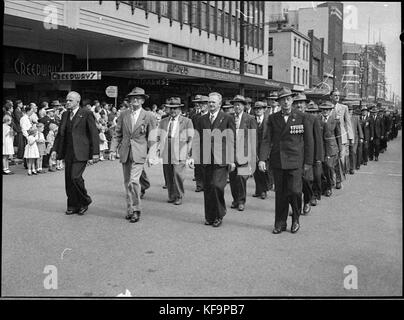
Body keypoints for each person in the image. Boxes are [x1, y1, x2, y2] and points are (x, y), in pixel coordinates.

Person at [258, 87, 314, 234]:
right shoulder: (273, 118)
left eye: (288, 99)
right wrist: (262, 159)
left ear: (292, 100)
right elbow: (266, 140)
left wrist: (308, 162)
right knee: (281, 193)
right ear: (279, 102)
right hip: (278, 161)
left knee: (295, 192)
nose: (286, 102)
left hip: (296, 161)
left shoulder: (302, 117)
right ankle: (280, 223)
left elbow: (309, 141)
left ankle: (295, 219)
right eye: (282, 100)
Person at [109, 87, 157, 223]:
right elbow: (117, 133)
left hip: (140, 152)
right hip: (125, 152)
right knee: (126, 183)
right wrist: (112, 150)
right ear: (129, 100)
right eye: (132, 98)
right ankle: (129, 209)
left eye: (138, 98)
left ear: (142, 100)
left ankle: (136, 209)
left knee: (134, 181)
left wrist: (152, 155)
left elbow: (152, 137)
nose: (135, 100)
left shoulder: (148, 116)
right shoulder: (124, 114)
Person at [51, 91, 100, 215]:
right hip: (68, 152)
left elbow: (94, 134)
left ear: (78, 101)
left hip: (81, 152)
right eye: (66, 100)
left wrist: (95, 153)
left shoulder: (86, 113)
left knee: (75, 177)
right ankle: (72, 204)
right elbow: (60, 135)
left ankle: (84, 201)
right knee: (69, 180)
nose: (67, 102)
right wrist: (55, 150)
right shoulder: (65, 115)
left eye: (70, 100)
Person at [198, 92, 236, 227]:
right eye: (209, 102)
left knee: (216, 186)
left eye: (213, 102)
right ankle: (209, 216)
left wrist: (232, 159)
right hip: (206, 158)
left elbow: (231, 140)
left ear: (220, 104)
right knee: (208, 188)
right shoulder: (202, 119)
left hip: (222, 158)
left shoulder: (227, 118)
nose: (211, 104)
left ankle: (219, 214)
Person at [157, 97, 194, 205]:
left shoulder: (187, 121)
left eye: (175, 108)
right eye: (171, 109)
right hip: (166, 147)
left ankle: (179, 195)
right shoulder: (163, 121)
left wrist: (187, 151)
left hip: (180, 148)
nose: (173, 111)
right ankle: (171, 195)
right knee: (168, 173)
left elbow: (191, 138)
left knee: (178, 173)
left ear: (180, 109)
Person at [229, 95, 257, 211]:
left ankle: (241, 201)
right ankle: (235, 200)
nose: (237, 107)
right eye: (235, 104)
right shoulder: (229, 117)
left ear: (244, 106)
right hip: (231, 153)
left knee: (241, 178)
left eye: (239, 104)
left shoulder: (250, 119)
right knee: (232, 178)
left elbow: (253, 138)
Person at [329, 90, 353, 188]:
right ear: (330, 96)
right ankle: (331, 180)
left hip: (341, 137)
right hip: (330, 138)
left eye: (338, 95)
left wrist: (350, 137)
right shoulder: (326, 107)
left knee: (340, 159)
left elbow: (348, 123)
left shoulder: (344, 108)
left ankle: (338, 180)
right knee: (330, 161)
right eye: (335, 95)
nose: (337, 97)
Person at [318, 101, 342, 197]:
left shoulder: (335, 121)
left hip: (331, 148)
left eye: (327, 110)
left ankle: (329, 187)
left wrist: (340, 148)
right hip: (320, 148)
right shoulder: (317, 120)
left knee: (329, 167)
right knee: (322, 168)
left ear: (330, 111)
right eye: (323, 110)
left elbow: (338, 135)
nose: (325, 111)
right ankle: (325, 187)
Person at [191, 95, 209, 192]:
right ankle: (199, 184)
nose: (201, 105)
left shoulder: (211, 116)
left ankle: (206, 183)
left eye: (204, 104)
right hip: (197, 143)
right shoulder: (195, 117)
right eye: (200, 103)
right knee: (197, 165)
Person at [252, 101, 269, 199]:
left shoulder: (268, 120)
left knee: (263, 170)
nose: (258, 110)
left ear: (264, 109)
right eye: (256, 109)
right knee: (255, 171)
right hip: (254, 149)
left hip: (265, 149)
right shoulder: (252, 120)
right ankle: (258, 190)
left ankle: (264, 190)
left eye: (260, 108)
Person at [348, 104, 364, 173]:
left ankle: (352, 168)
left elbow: (359, 128)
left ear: (352, 111)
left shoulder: (355, 118)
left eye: (350, 110)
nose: (349, 111)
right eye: (348, 110)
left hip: (354, 138)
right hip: (346, 139)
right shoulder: (344, 118)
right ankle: (347, 167)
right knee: (346, 154)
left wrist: (361, 137)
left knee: (353, 152)